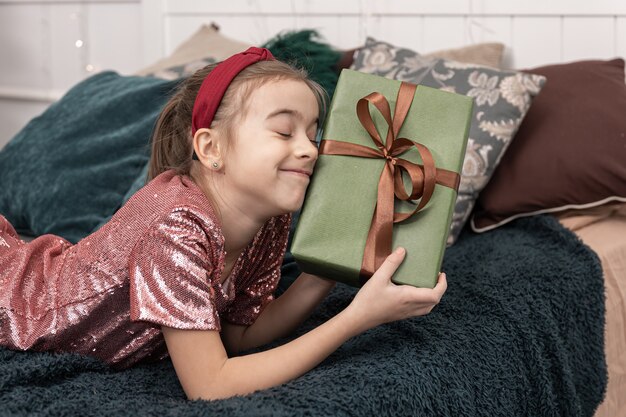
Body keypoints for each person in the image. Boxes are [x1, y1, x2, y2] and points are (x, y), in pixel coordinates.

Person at [0, 47, 447, 401]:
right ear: (211, 149)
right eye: (284, 131)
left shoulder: (269, 220)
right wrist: (356, 319)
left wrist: (327, 271)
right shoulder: (174, 227)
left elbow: (239, 335)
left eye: (313, 134)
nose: (311, 150)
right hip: (16, 303)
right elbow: (210, 385)